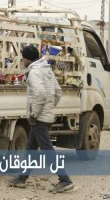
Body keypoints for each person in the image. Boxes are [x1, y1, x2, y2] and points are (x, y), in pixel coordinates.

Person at [7, 45, 74, 193]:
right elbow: (58, 92)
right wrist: (49, 107)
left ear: (27, 58)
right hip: (45, 115)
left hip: (39, 118)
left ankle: (65, 179)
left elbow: (41, 94)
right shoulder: (46, 69)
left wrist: (34, 115)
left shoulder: (34, 72)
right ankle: (22, 178)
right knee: (31, 148)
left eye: (23, 58)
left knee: (47, 150)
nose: (22, 60)